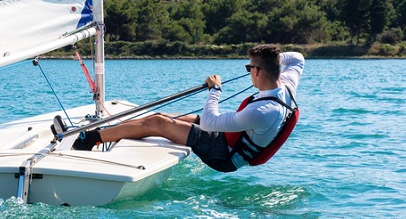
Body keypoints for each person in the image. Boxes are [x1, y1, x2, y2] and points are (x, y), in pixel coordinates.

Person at [70, 44, 305, 173]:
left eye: (249, 67)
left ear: (257, 71)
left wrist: (215, 90)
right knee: (162, 116)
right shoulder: (287, 85)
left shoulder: (263, 112)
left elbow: (209, 123)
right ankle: (112, 131)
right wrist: (269, 59)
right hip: (230, 138)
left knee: (158, 124)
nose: (248, 71)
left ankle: (90, 139)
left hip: (225, 156)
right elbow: (298, 58)